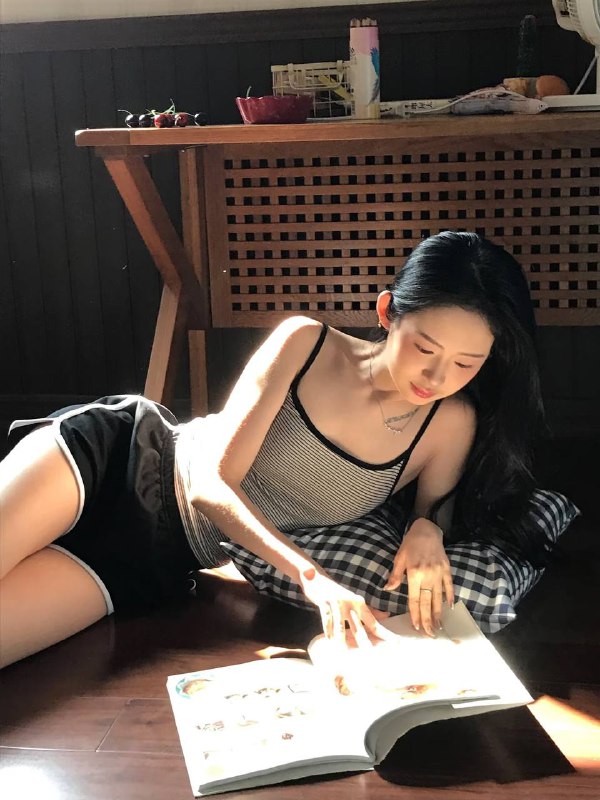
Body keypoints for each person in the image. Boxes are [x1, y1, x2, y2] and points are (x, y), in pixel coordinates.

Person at [0, 231, 545, 668]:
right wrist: (313, 579)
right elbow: (210, 485)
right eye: (425, 348)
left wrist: (427, 528)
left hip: (160, 557)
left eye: (466, 363)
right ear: (387, 312)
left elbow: (435, 511)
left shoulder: (450, 423)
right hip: (118, 459)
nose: (437, 376)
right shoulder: (304, 343)